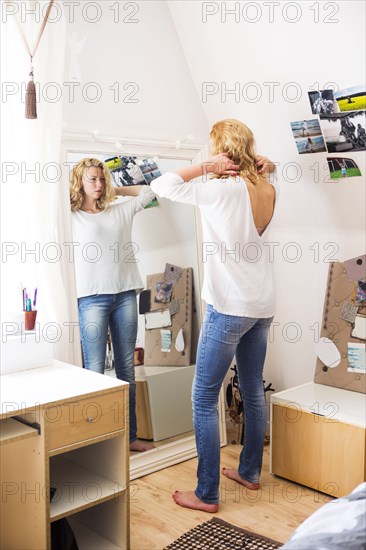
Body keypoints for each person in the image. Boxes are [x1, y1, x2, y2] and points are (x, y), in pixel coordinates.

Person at [151, 119, 278, 512]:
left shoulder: (217, 190)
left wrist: (208, 167)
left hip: (229, 307)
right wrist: (263, 167)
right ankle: (250, 472)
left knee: (204, 397)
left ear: (222, 150)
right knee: (253, 388)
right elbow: (264, 174)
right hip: (263, 305)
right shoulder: (268, 187)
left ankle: (206, 493)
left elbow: (162, 184)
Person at [70, 157, 155, 452]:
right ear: (79, 182)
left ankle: (129, 437)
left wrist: (115, 190)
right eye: (91, 179)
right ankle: (99, 442)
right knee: (94, 371)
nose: (98, 184)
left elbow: (149, 192)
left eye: (101, 178)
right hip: (91, 297)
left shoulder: (119, 211)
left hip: (125, 295)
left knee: (126, 369)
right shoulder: (69, 216)